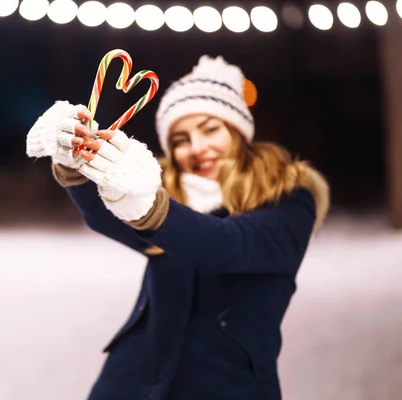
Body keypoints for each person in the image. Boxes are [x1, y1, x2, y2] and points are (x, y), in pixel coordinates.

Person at [26, 55, 329, 400]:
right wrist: (75, 165)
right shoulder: (168, 189)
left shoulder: (289, 197)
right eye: (181, 139)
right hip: (131, 380)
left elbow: (229, 244)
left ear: (238, 130)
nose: (197, 148)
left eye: (210, 129)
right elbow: (104, 215)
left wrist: (153, 209)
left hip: (229, 385)